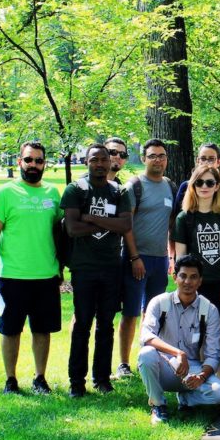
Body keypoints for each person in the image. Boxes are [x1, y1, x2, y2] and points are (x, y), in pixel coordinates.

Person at [0, 141, 63, 395]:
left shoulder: (52, 193)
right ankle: (11, 380)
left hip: (46, 275)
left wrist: (61, 269)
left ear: (45, 164)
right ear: (20, 162)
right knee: (11, 330)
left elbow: (58, 233)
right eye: (28, 160)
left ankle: (40, 378)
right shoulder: (5, 193)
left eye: (39, 161)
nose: (33, 165)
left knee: (42, 330)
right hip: (13, 276)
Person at [60, 143, 133, 397]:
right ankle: (76, 383)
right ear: (86, 162)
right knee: (82, 324)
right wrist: (109, 224)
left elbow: (126, 225)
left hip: (111, 267)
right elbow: (72, 228)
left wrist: (90, 218)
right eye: (95, 160)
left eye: (104, 159)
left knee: (106, 325)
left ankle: (102, 379)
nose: (100, 164)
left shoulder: (118, 190)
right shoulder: (75, 190)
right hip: (84, 268)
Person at [173, 164, 220, 383]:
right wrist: (185, 288)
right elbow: (181, 258)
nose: (204, 186)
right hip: (198, 287)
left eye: (210, 182)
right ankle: (205, 382)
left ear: (217, 186)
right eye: (199, 182)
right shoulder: (184, 218)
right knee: (201, 338)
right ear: (192, 186)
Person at [138, 254, 220, 425]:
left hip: (192, 369)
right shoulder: (159, 302)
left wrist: (201, 377)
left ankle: (186, 398)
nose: (188, 282)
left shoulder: (209, 310)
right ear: (175, 277)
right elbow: (146, 336)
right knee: (146, 354)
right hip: (163, 365)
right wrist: (177, 353)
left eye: (193, 277)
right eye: (183, 276)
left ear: (200, 281)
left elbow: (213, 354)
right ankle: (158, 405)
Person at [116, 139, 177, 380]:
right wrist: (134, 257)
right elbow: (126, 226)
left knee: (153, 313)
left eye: (161, 156)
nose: (157, 160)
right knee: (130, 312)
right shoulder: (135, 186)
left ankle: (148, 358)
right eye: (152, 156)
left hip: (160, 260)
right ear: (143, 159)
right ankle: (123, 364)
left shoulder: (170, 187)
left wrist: (171, 256)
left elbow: (171, 224)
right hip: (135, 260)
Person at [173, 143, 220, 216]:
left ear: (218, 162)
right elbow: (177, 216)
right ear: (198, 161)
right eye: (203, 159)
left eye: (211, 159)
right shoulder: (186, 186)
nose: (206, 162)